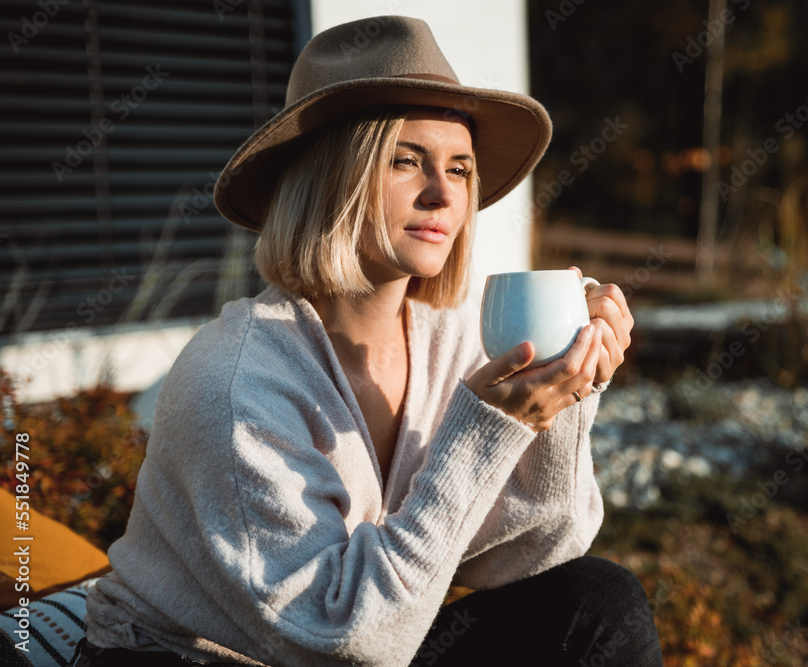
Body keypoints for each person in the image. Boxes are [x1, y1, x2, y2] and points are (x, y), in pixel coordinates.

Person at [75, 16, 659, 667]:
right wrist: (483, 430)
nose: (443, 194)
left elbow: (531, 552)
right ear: (330, 177)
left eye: (460, 169)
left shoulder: (454, 339)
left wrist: (566, 394)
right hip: (196, 656)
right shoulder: (236, 382)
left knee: (599, 600)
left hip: (360, 631)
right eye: (406, 160)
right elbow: (342, 639)